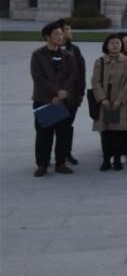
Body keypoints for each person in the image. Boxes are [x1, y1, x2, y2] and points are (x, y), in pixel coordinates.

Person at [30, 22, 76, 177]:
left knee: (63, 133)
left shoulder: (68, 55)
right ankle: (42, 165)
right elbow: (38, 78)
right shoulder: (38, 55)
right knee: (44, 134)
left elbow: (72, 76)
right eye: (57, 34)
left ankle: (60, 163)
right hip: (45, 100)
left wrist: (62, 93)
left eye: (61, 33)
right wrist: (56, 92)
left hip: (63, 100)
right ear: (47, 37)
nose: (60, 36)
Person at [91, 33, 127, 171]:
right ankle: (106, 160)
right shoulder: (100, 62)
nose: (115, 46)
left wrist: (119, 100)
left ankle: (117, 159)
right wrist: (103, 99)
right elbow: (95, 82)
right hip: (105, 102)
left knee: (119, 133)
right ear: (106, 45)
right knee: (106, 132)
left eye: (118, 43)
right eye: (112, 43)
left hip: (120, 103)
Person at [58, 19, 85, 166]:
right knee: (48, 129)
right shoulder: (49, 50)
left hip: (72, 97)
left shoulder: (75, 49)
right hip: (54, 98)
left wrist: (81, 93)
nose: (70, 31)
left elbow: (81, 72)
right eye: (68, 29)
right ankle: (44, 161)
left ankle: (65, 154)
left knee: (67, 127)